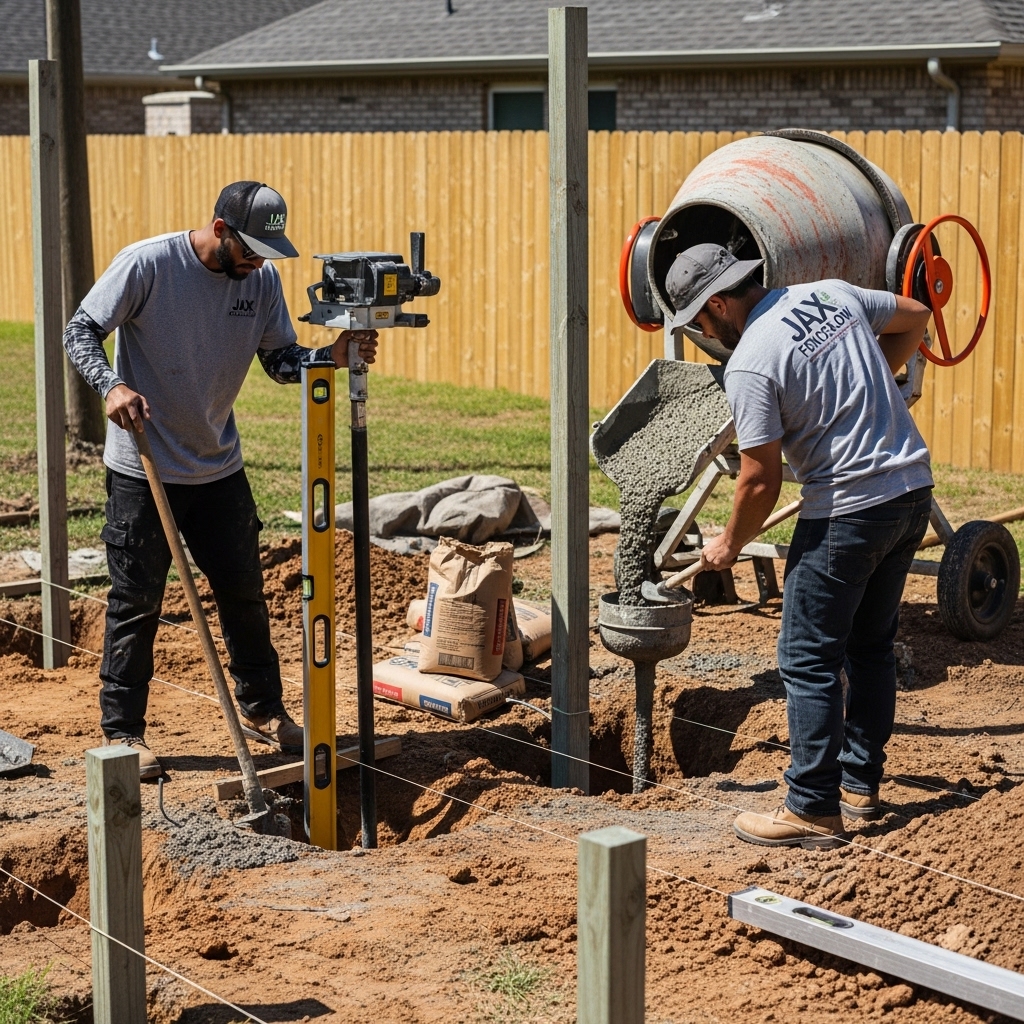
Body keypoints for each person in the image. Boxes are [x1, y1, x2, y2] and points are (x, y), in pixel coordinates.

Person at [64, 180, 378, 779]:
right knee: (136, 601)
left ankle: (263, 710)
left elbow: (279, 362)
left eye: (268, 249)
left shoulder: (259, 281)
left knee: (244, 593)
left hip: (217, 465)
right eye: (252, 247)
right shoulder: (148, 264)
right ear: (219, 229)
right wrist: (113, 386)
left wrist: (330, 356)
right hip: (144, 464)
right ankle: (123, 733)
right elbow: (79, 330)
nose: (261, 260)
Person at [664, 243, 933, 848]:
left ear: (717, 303)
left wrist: (727, 546)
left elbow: (758, 479)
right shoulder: (830, 295)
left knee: (807, 657)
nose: (703, 335)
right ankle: (860, 785)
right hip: (911, 490)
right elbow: (916, 315)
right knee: (870, 645)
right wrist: (879, 383)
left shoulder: (751, 363)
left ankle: (811, 806)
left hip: (848, 509)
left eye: (700, 323)